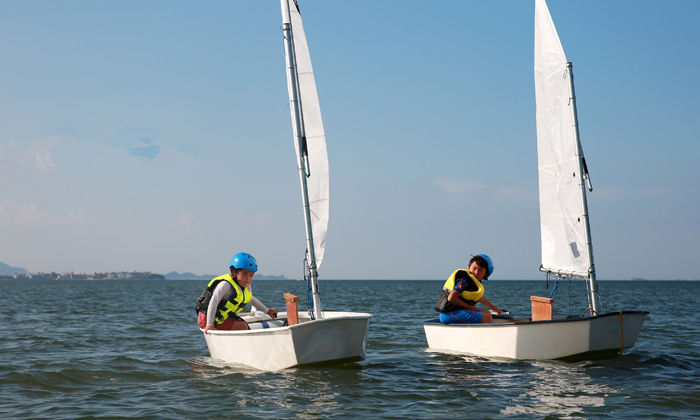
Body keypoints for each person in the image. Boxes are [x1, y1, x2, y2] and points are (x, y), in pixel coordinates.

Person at [194, 252, 278, 334]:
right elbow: (213, 303)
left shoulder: (245, 287)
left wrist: (267, 311)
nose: (248, 278)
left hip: (221, 317)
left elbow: (251, 300)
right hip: (206, 319)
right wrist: (209, 324)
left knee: (243, 325)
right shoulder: (225, 285)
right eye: (244, 274)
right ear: (234, 273)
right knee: (242, 326)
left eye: (251, 275)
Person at [435, 254, 502, 324]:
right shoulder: (465, 281)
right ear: (468, 268)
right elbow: (451, 298)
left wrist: (494, 308)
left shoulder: (474, 284)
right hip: (449, 313)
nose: (476, 272)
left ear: (485, 273)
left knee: (487, 312)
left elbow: (480, 299)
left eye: (480, 270)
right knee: (487, 318)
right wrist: (469, 307)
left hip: (455, 312)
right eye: (474, 268)